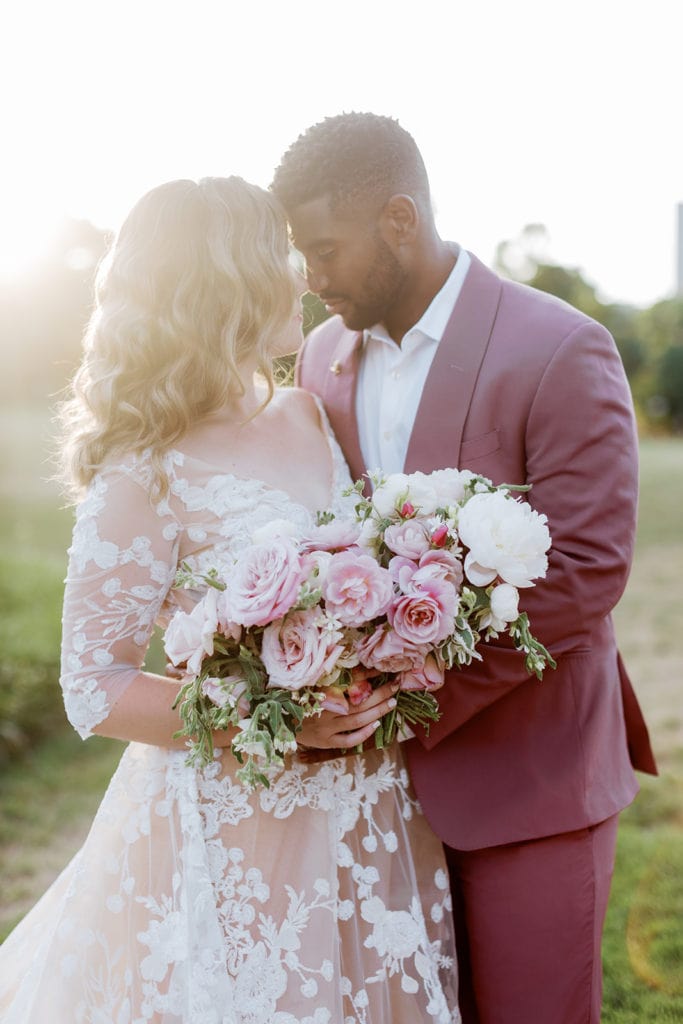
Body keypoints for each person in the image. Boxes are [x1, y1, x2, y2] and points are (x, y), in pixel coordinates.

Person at [0, 177, 461, 1024]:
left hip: (367, 806)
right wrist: (276, 724)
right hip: (237, 820)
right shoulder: (142, 468)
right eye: (279, 257)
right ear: (228, 282)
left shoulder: (309, 414)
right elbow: (92, 685)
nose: (301, 277)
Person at [271, 112, 658, 1024]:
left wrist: (398, 702)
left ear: (399, 220)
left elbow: (586, 570)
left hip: (530, 779)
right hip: (368, 807)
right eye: (301, 255)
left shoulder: (558, 347)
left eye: (325, 250)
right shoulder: (320, 357)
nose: (312, 278)